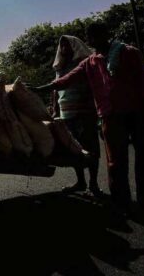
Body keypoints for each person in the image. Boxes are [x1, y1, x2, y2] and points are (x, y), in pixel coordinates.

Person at [34, 22, 144, 217]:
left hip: (137, 113)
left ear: (107, 34)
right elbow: (66, 80)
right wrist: (38, 89)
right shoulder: (91, 62)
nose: (92, 40)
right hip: (110, 115)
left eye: (95, 36)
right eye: (90, 37)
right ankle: (121, 202)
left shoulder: (129, 52)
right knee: (115, 162)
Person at [51, 35, 103, 197]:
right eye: (62, 46)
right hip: (66, 113)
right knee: (75, 149)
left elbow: (93, 86)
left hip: (84, 112)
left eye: (67, 45)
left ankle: (93, 183)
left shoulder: (83, 64)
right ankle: (80, 181)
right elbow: (56, 89)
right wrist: (55, 109)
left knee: (91, 148)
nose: (64, 49)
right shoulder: (60, 68)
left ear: (75, 46)